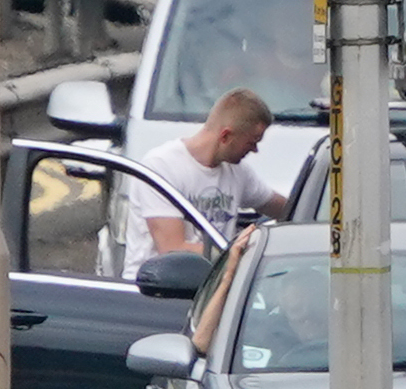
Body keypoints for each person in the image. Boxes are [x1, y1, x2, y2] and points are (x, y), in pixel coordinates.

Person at [122, 89, 289, 268]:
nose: (255, 150)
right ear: (225, 136)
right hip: (157, 287)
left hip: (213, 284)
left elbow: (283, 208)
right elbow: (172, 249)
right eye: (252, 142)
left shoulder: (237, 171)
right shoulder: (161, 167)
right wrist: (243, 251)